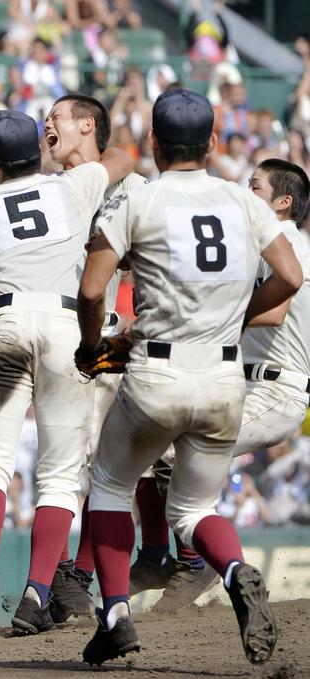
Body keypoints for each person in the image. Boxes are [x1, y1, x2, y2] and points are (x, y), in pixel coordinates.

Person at [78, 88, 301, 666]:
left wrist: (89, 344)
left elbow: (92, 287)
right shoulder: (243, 201)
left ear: (153, 140)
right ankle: (233, 569)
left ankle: (117, 616)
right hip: (226, 377)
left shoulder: (142, 201)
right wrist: (238, 316)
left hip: (157, 371)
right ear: (212, 141)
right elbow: (290, 275)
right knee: (195, 510)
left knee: (108, 486)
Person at [0, 109, 133, 637]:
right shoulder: (72, 186)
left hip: (5, 319)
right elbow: (120, 159)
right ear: (37, 148)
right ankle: (36, 592)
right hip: (66, 322)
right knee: (60, 474)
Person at [130, 158, 310, 612]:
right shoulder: (267, 242)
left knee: (172, 448)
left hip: (274, 391)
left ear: (283, 202)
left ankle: (194, 561)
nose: (244, 191)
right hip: (242, 382)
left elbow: (275, 312)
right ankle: (156, 556)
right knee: (151, 443)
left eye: (255, 186)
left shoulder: (285, 241)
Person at [41, 93, 149, 624]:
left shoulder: (127, 183)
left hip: (104, 340)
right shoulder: (44, 190)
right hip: (56, 336)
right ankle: (56, 580)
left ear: (86, 125)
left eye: (56, 116)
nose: (47, 124)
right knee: (59, 468)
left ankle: (74, 578)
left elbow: (150, 260)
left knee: (109, 468)